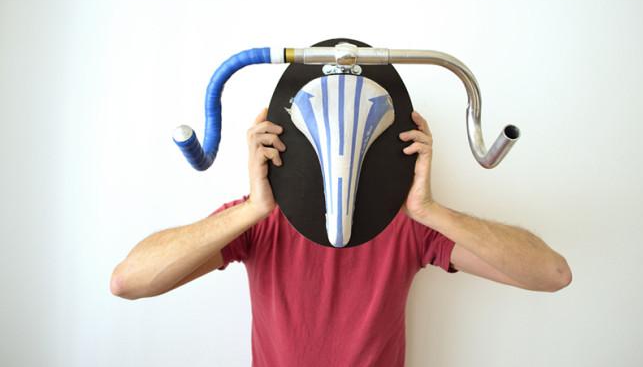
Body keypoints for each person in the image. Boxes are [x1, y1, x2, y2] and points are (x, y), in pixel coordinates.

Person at [110, 107, 572, 367]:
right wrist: (252, 209)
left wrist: (427, 209)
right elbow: (128, 281)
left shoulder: (406, 223)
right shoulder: (259, 221)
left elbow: (552, 274)